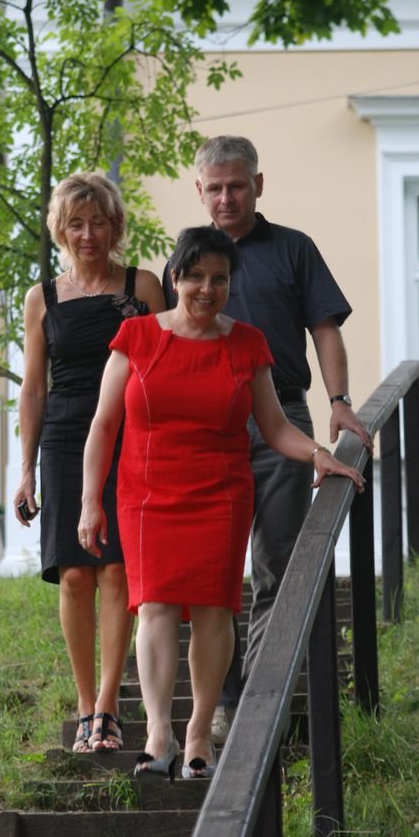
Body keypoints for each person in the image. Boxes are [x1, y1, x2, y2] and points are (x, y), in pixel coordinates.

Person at [78, 226, 365, 780]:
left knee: (214, 610)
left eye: (220, 279)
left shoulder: (248, 344)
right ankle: (158, 733)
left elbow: (274, 426)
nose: (207, 289)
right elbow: (103, 426)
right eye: (195, 277)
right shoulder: (136, 336)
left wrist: (318, 455)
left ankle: (198, 734)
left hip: (220, 494)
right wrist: (91, 502)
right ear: (174, 278)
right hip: (146, 495)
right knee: (155, 607)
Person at [162, 136, 373, 745]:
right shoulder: (189, 255)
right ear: (198, 191)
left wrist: (339, 401)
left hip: (282, 414)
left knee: (277, 564)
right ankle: (221, 702)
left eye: (237, 185)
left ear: (258, 184)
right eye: (215, 188)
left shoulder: (293, 248)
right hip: (208, 425)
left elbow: (325, 329)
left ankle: (258, 701)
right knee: (213, 571)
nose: (226, 198)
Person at [14, 171, 165, 754]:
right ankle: (84, 708)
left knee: (116, 570)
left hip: (129, 435)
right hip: (63, 438)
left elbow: (165, 369)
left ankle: (109, 705)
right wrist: (26, 469)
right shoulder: (42, 298)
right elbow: (34, 388)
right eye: (75, 223)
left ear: (115, 226)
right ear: (60, 230)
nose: (87, 234)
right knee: (74, 574)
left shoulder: (142, 287)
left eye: (98, 222)